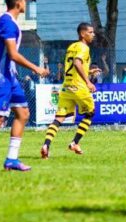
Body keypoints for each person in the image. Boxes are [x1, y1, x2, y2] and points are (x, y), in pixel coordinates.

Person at [0, 0, 49, 172]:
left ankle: (11, 160)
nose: (26, 3)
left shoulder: (9, 19)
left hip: (9, 76)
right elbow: (13, 54)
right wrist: (36, 68)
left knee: (23, 114)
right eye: (24, 1)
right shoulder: (7, 24)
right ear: (18, 3)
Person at [40, 23, 97, 159]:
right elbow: (77, 63)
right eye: (90, 32)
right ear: (82, 34)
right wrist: (88, 81)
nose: (93, 34)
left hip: (66, 86)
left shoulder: (72, 47)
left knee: (59, 118)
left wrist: (89, 70)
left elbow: (72, 66)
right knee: (90, 113)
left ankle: (46, 145)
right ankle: (74, 143)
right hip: (79, 87)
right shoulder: (84, 47)